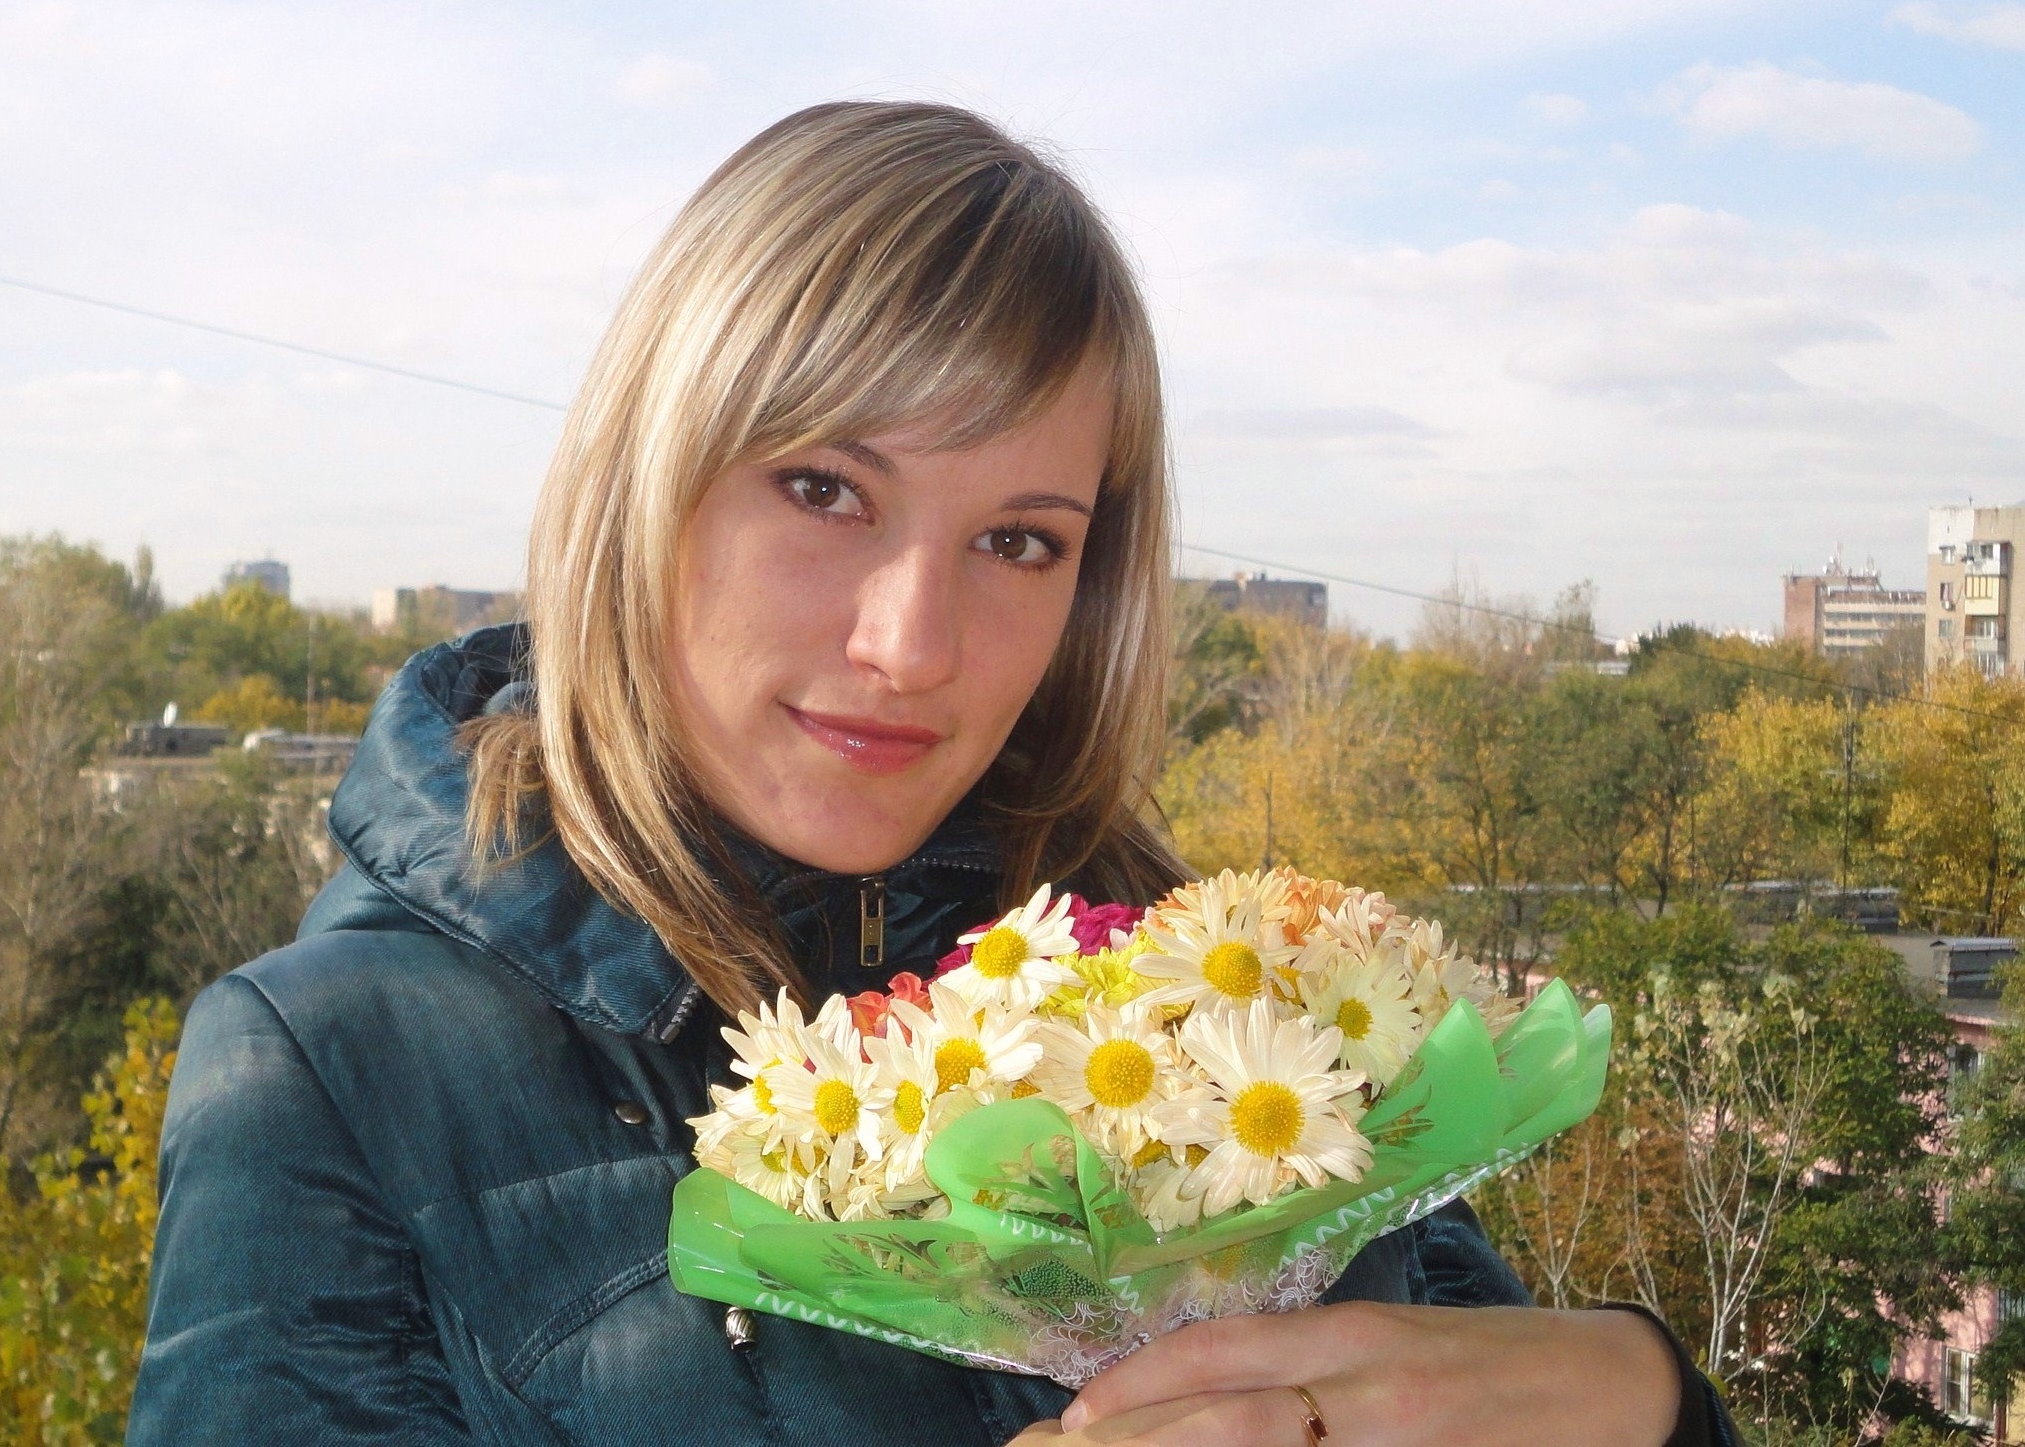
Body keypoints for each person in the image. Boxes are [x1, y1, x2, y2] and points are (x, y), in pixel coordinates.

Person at [128, 101, 1735, 1446]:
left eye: (1019, 541)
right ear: (646, 483)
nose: (912, 645)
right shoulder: (334, 1070)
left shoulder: (1216, 994)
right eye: (826, 490)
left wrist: (1638, 1398)